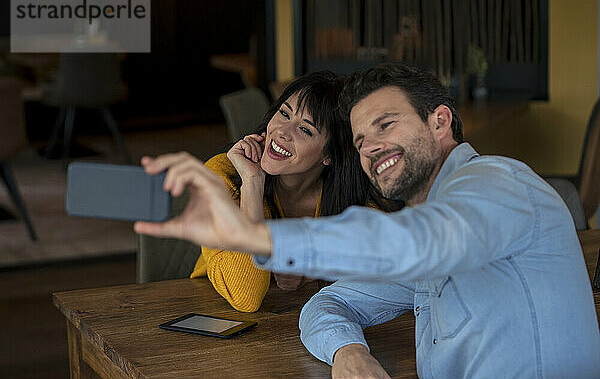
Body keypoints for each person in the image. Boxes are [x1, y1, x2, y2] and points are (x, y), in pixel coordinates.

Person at [134, 64, 600, 378]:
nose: (371, 147)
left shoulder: (499, 185)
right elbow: (327, 305)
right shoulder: (424, 226)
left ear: (440, 122)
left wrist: (260, 237)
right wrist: (348, 352)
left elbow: (418, 243)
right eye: (359, 139)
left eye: (386, 124)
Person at [141, 71, 373, 313]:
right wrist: (252, 183)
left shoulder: (354, 192)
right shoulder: (223, 175)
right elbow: (245, 296)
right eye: (283, 113)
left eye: (305, 130)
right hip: (217, 312)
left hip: (310, 320)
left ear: (330, 155)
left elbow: (381, 268)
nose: (283, 131)